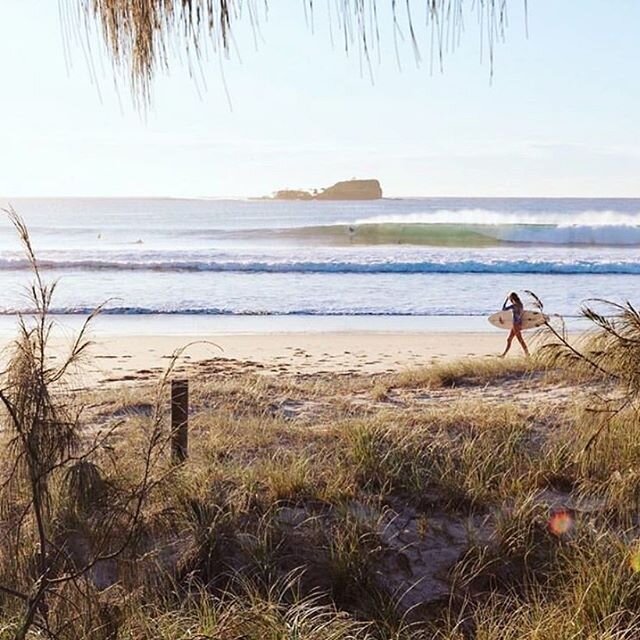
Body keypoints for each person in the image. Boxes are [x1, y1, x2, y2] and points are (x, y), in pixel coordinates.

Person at [500, 292, 530, 357]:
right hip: (519, 324)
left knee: (520, 340)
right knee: (509, 339)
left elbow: (503, 309)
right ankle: (504, 354)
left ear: (512, 298)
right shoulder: (521, 305)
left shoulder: (514, 305)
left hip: (515, 325)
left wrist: (506, 300)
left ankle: (527, 353)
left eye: (510, 298)